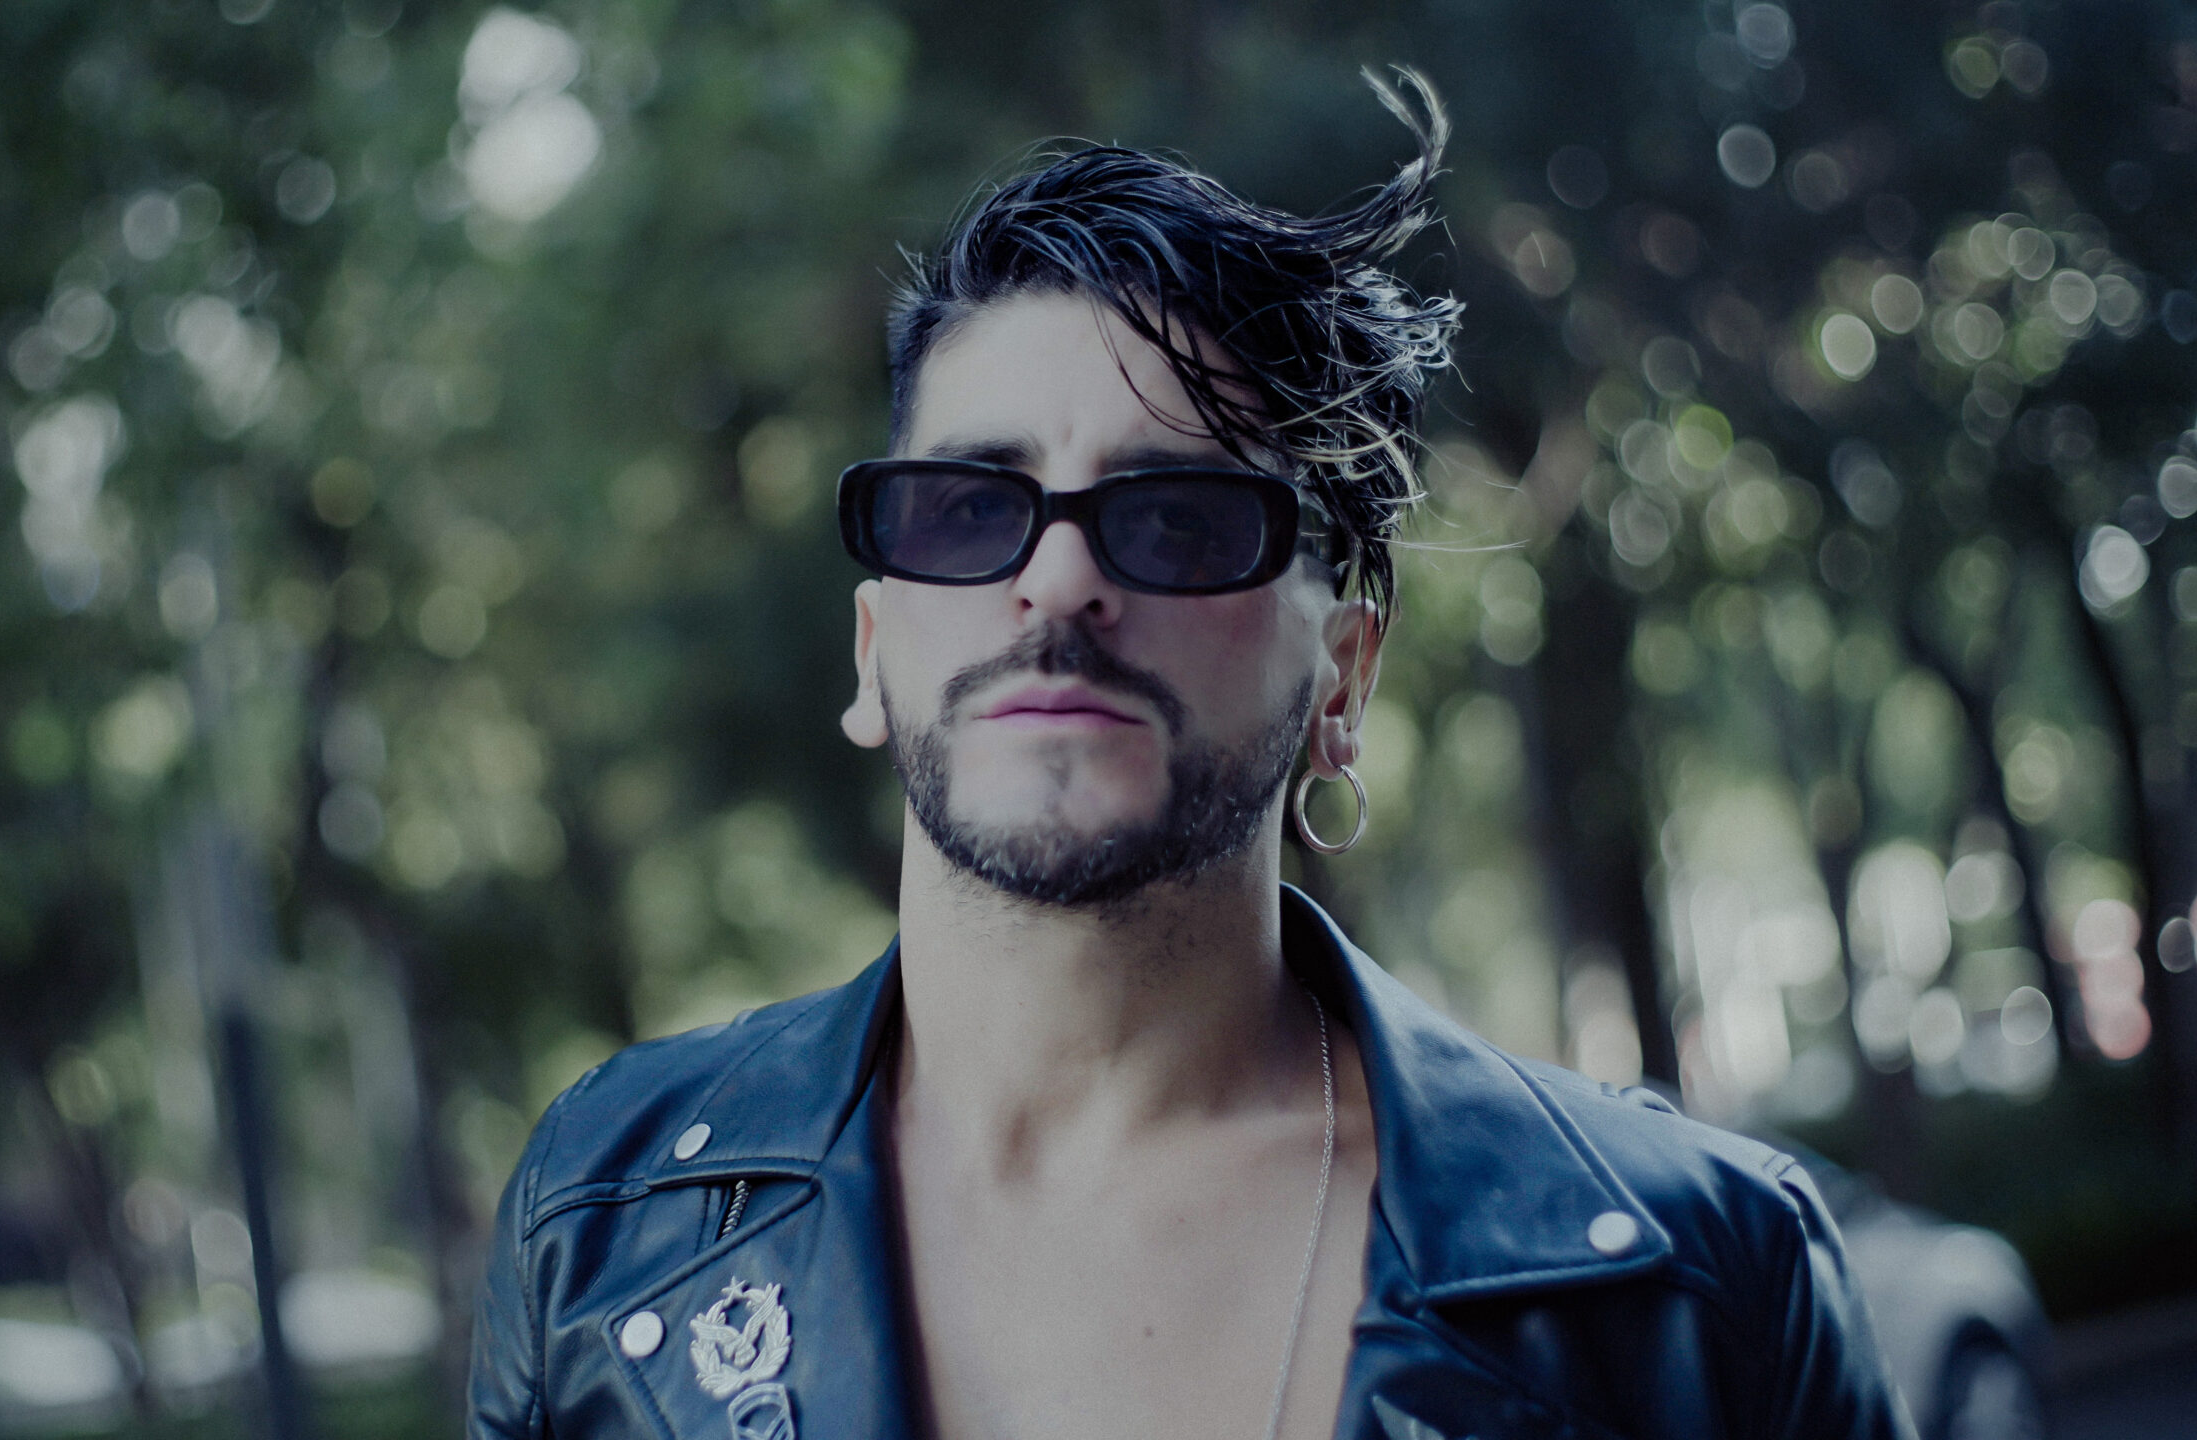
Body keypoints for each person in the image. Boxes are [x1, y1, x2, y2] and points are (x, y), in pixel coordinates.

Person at [470, 75, 1912, 1440]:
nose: (1057, 582)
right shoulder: (599, 1222)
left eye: (1176, 518)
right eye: (971, 509)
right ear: (872, 650)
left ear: (1341, 676)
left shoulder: (1701, 1281)